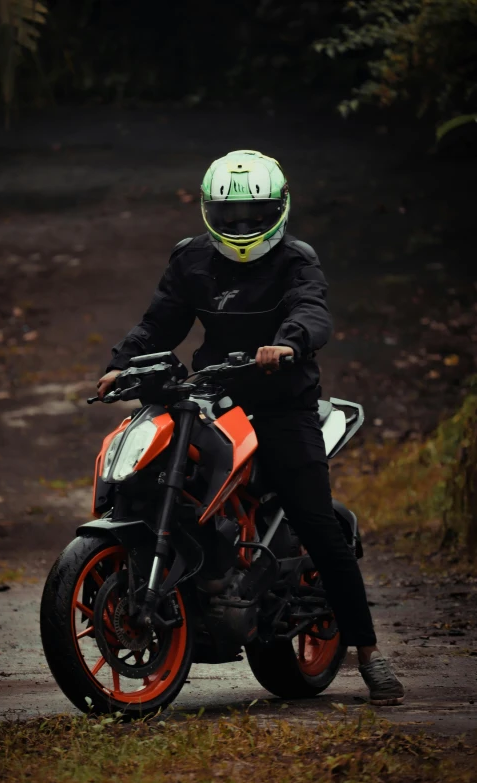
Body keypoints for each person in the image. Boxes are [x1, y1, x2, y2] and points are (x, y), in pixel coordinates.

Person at [97, 149, 405, 705]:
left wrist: (288, 343)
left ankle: (368, 652)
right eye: (230, 213)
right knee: (156, 471)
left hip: (284, 404)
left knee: (316, 522)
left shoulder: (297, 260)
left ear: (280, 209)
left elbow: (312, 310)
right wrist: (123, 362)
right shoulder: (190, 260)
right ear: (208, 210)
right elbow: (159, 322)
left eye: (255, 214)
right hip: (215, 397)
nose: (241, 226)